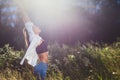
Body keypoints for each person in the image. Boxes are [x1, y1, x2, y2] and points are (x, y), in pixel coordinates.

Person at [20, 8, 48, 80]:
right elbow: (29, 47)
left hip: (41, 65)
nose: (35, 27)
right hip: (40, 65)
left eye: (36, 27)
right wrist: (25, 36)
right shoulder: (35, 38)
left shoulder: (37, 39)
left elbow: (29, 47)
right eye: (35, 27)